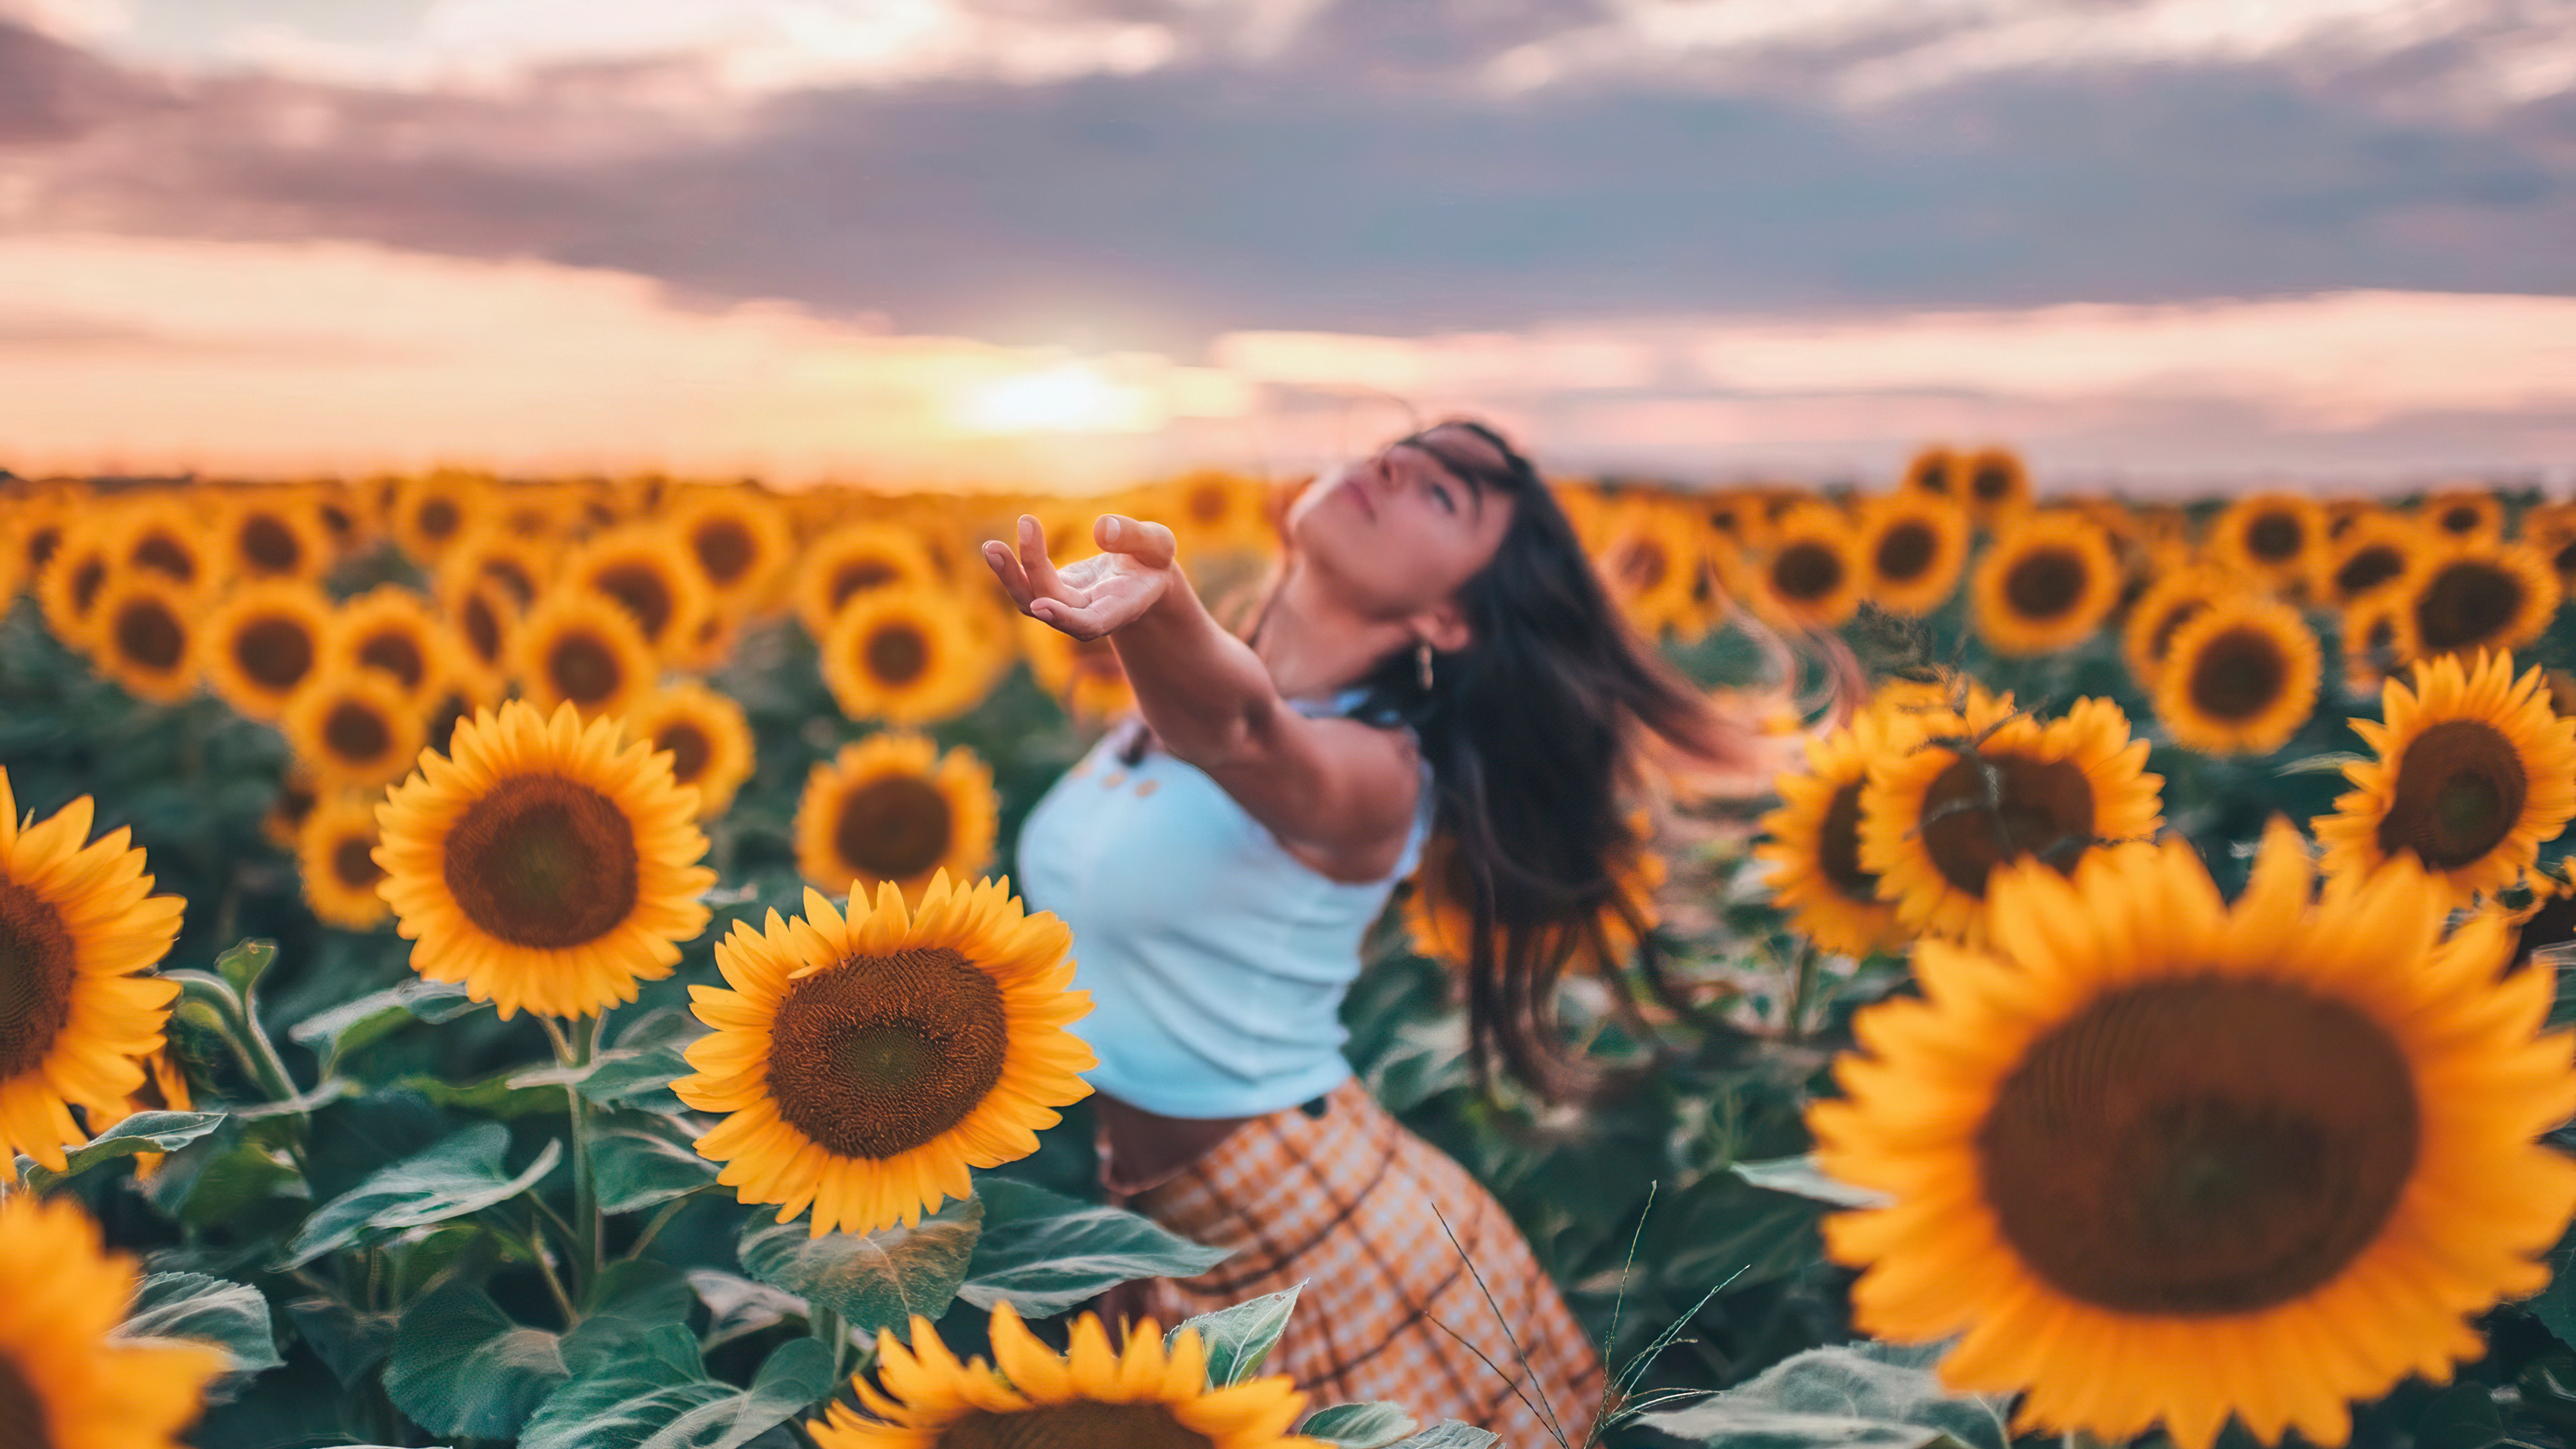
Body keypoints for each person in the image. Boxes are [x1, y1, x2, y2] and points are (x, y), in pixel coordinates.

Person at [985, 419, 1771, 1443]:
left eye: (1445, 496)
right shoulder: (1147, 706)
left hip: (1323, 1237)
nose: (1394, 465)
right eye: (1401, 451)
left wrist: (1162, 606)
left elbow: (1243, 729)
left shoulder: (1380, 776)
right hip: (1147, 1232)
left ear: (1451, 620)